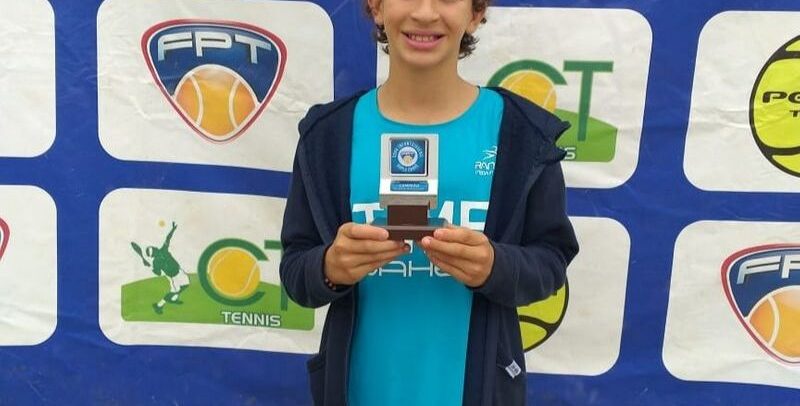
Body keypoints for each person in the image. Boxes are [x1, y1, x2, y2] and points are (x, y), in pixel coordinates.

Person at [279, 0, 579, 403]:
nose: (424, 13)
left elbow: (550, 262)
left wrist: (495, 265)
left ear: (475, 13)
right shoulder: (327, 135)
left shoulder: (522, 133)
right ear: (376, 7)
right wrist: (330, 267)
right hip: (358, 391)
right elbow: (296, 270)